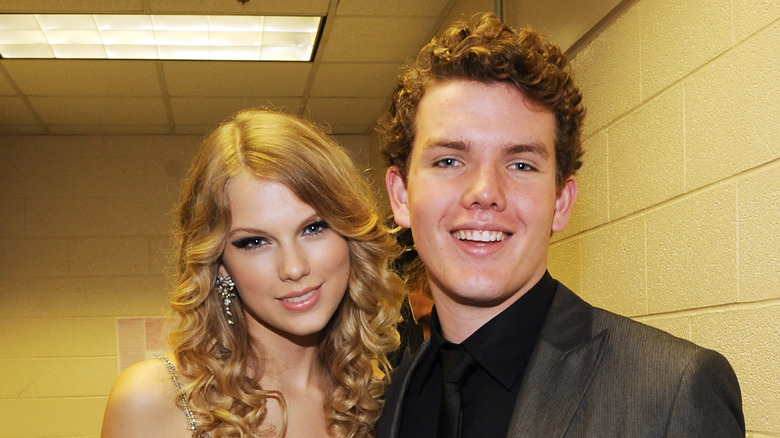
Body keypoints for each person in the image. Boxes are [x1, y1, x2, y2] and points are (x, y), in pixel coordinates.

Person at [377, 12, 744, 438]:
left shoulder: (671, 391)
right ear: (401, 195)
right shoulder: (384, 398)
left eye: (520, 163)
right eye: (449, 161)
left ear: (561, 202)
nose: (484, 190)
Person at [101, 109, 405, 438]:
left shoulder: (373, 397)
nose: (293, 267)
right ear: (219, 265)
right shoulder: (153, 400)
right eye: (255, 242)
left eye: (313, 228)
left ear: (351, 236)